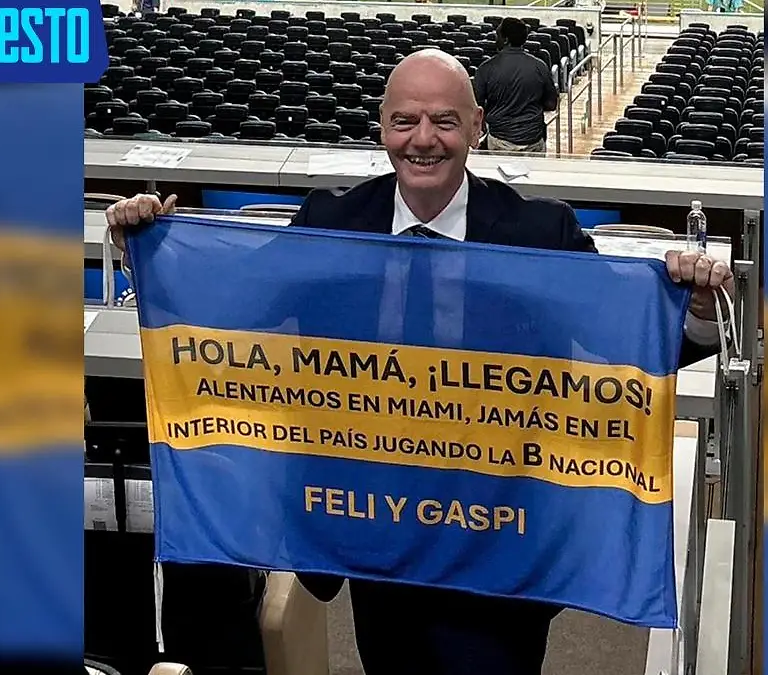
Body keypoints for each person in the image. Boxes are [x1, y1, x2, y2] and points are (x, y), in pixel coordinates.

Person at [106, 49, 734, 675]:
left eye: (444, 121)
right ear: (382, 126)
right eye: (405, 121)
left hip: (500, 536)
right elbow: (235, 306)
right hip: (374, 534)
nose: (423, 140)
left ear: (477, 126)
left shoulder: (541, 234)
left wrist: (699, 305)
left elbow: (626, 342)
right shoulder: (332, 223)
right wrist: (151, 254)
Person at [472, 18, 559, 154]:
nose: (496, 38)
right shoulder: (540, 66)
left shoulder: (486, 69)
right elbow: (551, 104)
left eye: (498, 34)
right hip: (534, 141)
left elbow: (477, 107)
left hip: (499, 142)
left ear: (505, 39)